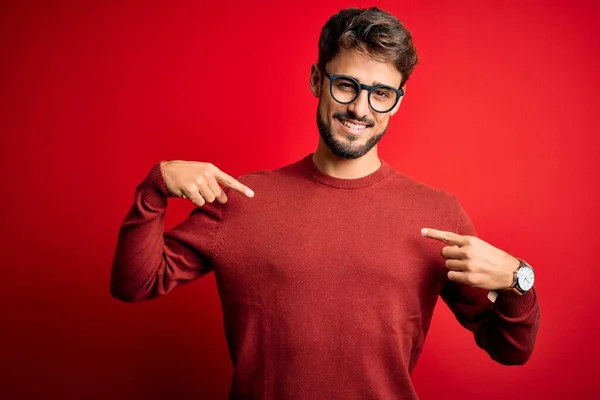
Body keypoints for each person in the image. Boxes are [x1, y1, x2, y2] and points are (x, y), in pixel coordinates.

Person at [110, 6, 540, 400]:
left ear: (398, 101)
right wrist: (155, 187)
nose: (360, 108)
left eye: (381, 93)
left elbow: (510, 351)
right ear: (318, 80)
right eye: (346, 86)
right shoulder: (240, 200)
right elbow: (135, 284)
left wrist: (518, 279)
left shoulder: (438, 215)